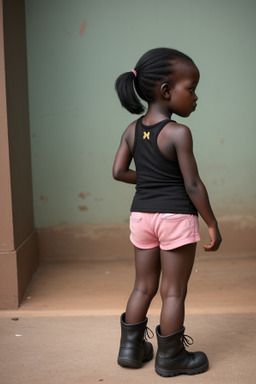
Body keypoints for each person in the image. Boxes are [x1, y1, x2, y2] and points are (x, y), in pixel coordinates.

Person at [112, 48, 222, 377]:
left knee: (142, 286)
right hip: (175, 217)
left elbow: (118, 172)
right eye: (191, 88)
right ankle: (170, 358)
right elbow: (192, 185)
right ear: (165, 91)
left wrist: (147, 179)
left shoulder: (132, 130)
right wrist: (212, 223)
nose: (195, 96)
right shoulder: (177, 133)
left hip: (141, 217)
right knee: (173, 290)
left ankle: (131, 350)